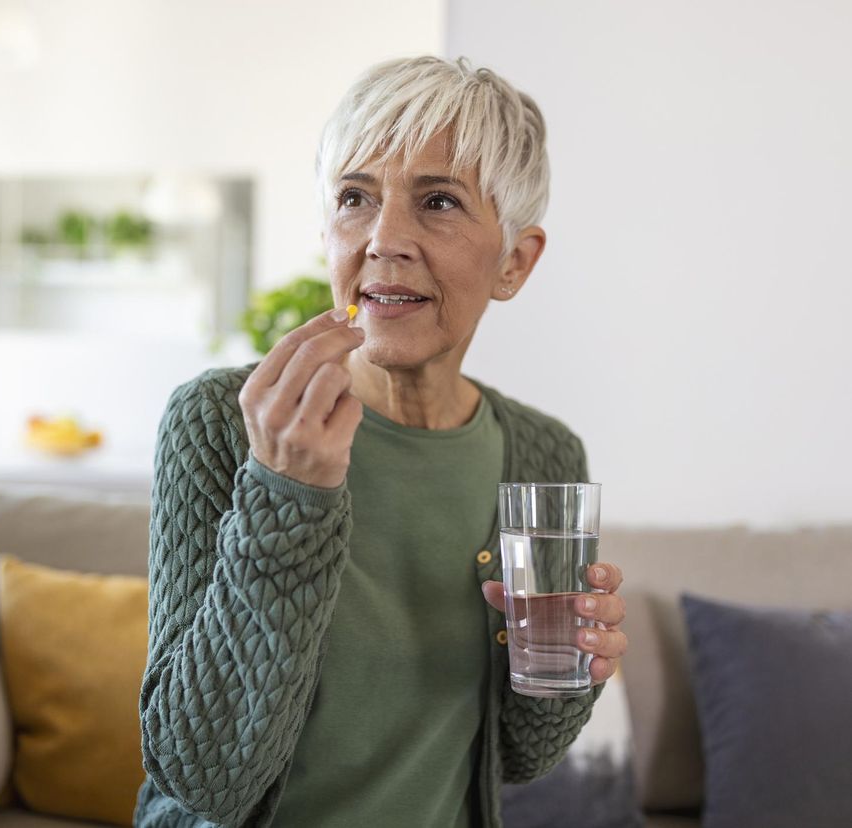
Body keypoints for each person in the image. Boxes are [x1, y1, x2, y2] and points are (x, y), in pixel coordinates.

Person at [135, 56, 628, 828]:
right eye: (355, 198)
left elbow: (521, 755)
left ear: (515, 262)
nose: (384, 239)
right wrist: (285, 492)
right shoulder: (223, 422)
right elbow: (202, 777)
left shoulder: (543, 453)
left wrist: (575, 672)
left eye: (438, 201)